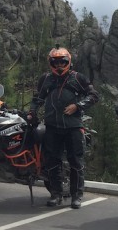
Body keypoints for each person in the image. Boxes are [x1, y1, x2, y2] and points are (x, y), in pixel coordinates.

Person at [28, 45, 99, 209]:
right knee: (52, 161)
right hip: (52, 126)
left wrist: (78, 106)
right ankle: (56, 194)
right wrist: (32, 112)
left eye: (62, 61)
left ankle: (76, 196)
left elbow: (94, 95)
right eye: (56, 62)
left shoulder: (78, 78)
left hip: (73, 126)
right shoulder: (46, 79)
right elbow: (38, 98)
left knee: (76, 161)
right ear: (51, 63)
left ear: (68, 61)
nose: (59, 65)